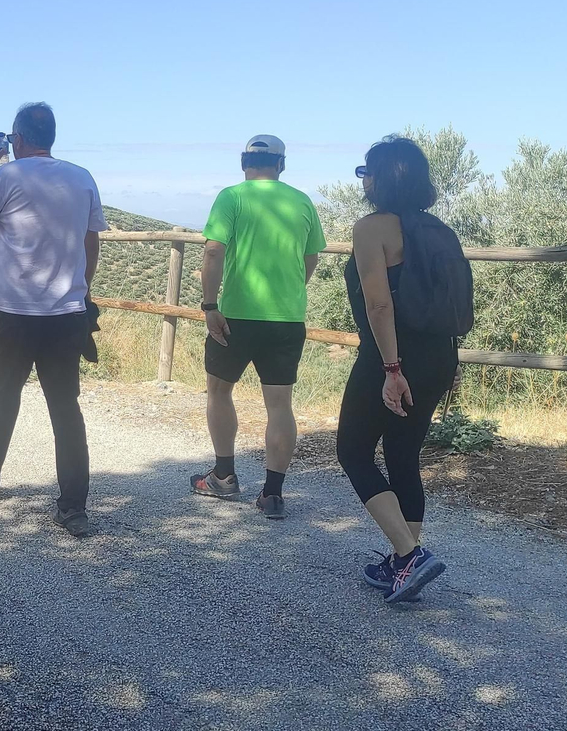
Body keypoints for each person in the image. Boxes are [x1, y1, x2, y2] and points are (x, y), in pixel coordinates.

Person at [0, 103, 108, 537]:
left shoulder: (6, 175)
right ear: (51, 136)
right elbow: (91, 243)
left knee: (5, 394)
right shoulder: (82, 177)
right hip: (66, 312)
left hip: (15, 311)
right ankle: (73, 507)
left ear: (16, 140)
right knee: (65, 408)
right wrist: (82, 288)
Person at [338, 137, 471, 604]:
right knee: (402, 454)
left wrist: (392, 368)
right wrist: (446, 362)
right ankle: (402, 567)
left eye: (366, 171)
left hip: (391, 354)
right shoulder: (439, 230)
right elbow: (451, 300)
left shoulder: (371, 227)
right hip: (439, 353)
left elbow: (379, 304)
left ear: (382, 179)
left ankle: (409, 554)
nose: (364, 180)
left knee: (352, 451)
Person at [190, 135, 325, 519]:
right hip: (286, 318)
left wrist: (210, 305)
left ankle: (224, 476)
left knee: (219, 392)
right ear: (282, 164)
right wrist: (292, 291)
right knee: (280, 405)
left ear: (243, 162)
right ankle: (273, 494)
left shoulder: (231, 197)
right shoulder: (301, 201)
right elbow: (310, 257)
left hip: (234, 315)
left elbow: (213, 250)